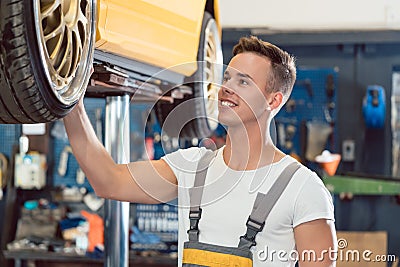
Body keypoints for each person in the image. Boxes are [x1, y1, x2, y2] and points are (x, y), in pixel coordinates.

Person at [64, 36, 336, 267]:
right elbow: (108, 181)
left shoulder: (303, 189)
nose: (226, 87)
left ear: (273, 100)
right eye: (227, 77)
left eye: (243, 82)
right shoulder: (192, 167)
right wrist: (69, 98)